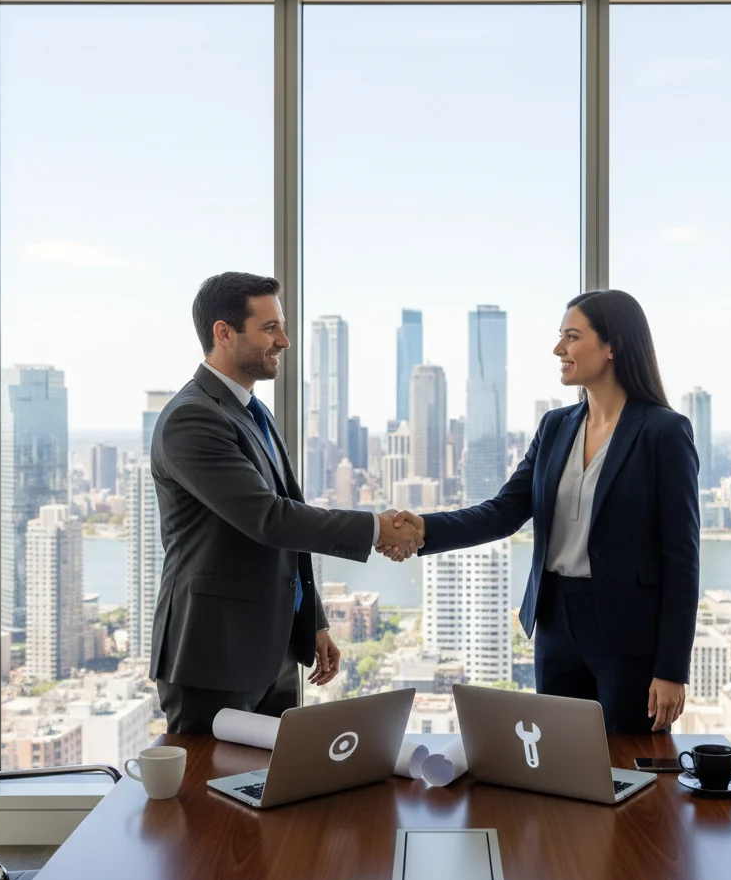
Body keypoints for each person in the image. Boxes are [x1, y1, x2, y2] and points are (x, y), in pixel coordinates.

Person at [381, 289, 699, 733]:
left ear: (613, 346)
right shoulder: (555, 426)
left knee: (628, 760)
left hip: (628, 632)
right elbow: (503, 511)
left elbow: (681, 559)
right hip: (555, 622)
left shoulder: (664, 432)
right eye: (560, 336)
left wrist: (672, 668)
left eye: (572, 337)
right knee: (558, 754)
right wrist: (423, 530)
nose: (558, 349)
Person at [150, 271, 422, 733]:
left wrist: (312, 621)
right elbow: (269, 519)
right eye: (269, 328)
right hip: (214, 655)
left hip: (274, 650)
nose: (284, 341)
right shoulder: (192, 418)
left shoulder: (254, 411)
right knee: (210, 779)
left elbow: (286, 525)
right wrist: (376, 528)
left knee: (274, 776)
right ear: (223, 333)